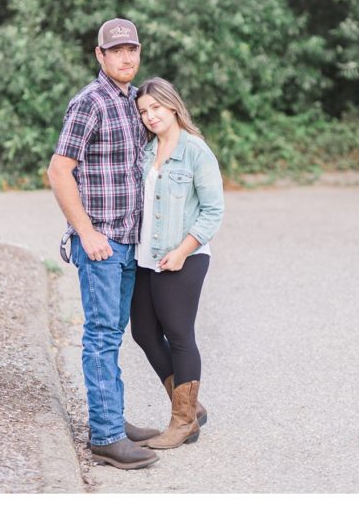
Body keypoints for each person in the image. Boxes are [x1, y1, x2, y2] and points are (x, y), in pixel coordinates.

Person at [48, 18, 159, 470]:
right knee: (99, 335)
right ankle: (106, 436)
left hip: (130, 241)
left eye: (131, 49)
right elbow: (58, 171)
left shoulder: (134, 101)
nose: (125, 57)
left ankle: (113, 419)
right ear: (100, 56)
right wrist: (87, 233)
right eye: (115, 51)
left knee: (112, 334)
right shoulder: (89, 103)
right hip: (102, 244)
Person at [131, 77, 224, 449]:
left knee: (179, 334)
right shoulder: (145, 151)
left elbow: (213, 211)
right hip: (144, 257)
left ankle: (183, 421)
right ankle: (191, 406)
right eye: (143, 111)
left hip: (184, 257)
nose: (150, 116)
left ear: (172, 106)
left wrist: (184, 250)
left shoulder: (195, 151)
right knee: (143, 332)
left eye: (156, 107)